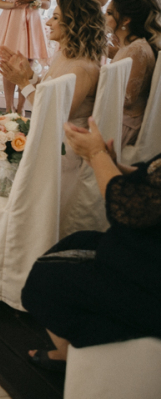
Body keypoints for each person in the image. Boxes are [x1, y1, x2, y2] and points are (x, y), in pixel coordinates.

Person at [21, 118, 161, 372]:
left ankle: (89, 360)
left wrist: (97, 155)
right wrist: (112, 164)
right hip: (144, 251)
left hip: (151, 279)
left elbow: (130, 211)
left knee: (43, 282)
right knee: (79, 240)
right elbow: (150, 182)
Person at [0, 0, 107, 235]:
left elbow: (55, 114)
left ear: (74, 24)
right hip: (52, 132)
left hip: (65, 145)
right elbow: (52, 91)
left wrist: (22, 83)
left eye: (56, 18)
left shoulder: (82, 68)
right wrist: (30, 74)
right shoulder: (65, 55)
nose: (48, 22)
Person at [104, 0, 161, 146]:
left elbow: (127, 99)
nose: (104, 17)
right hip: (117, 117)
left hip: (124, 124)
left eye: (109, 13)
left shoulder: (137, 49)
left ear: (126, 20)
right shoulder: (130, 46)